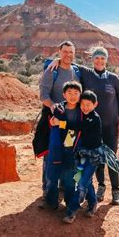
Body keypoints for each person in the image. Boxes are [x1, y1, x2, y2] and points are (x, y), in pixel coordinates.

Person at [47, 46, 119, 205]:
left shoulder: (114, 79)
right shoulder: (87, 73)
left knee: (111, 158)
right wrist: (57, 59)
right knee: (96, 159)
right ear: (92, 60)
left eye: (102, 58)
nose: (99, 61)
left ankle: (116, 191)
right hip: (91, 128)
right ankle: (101, 187)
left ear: (106, 60)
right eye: (96, 58)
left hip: (111, 127)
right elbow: (69, 60)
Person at [32, 41, 80, 198]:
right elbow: (43, 95)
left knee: (68, 152)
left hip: (70, 122)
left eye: (71, 52)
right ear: (59, 53)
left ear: (74, 53)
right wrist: (54, 107)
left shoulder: (77, 71)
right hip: (53, 121)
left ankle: (63, 186)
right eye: (65, 52)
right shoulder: (52, 70)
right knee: (51, 153)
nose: (68, 55)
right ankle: (47, 188)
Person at [40, 81, 82, 210]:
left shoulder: (82, 111)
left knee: (70, 179)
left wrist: (62, 124)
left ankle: (70, 204)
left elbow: (76, 128)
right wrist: (62, 125)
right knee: (52, 177)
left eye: (76, 93)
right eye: (69, 93)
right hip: (56, 147)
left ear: (80, 95)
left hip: (72, 149)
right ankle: (51, 202)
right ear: (64, 94)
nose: (73, 96)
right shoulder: (58, 108)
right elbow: (54, 123)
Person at [62, 90, 103, 224]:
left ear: (95, 104)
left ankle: (71, 212)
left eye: (88, 104)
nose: (85, 107)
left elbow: (75, 127)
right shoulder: (82, 116)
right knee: (86, 181)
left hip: (94, 157)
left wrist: (60, 123)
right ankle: (93, 203)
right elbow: (73, 130)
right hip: (82, 155)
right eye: (83, 104)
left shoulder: (94, 118)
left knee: (80, 184)